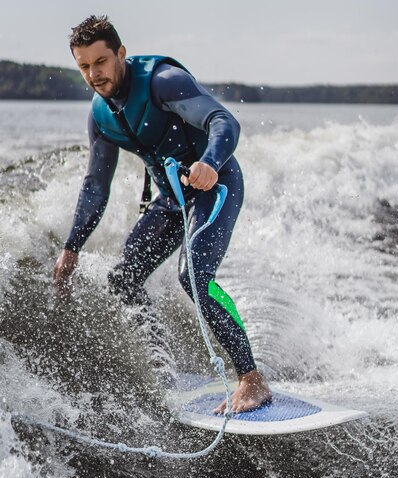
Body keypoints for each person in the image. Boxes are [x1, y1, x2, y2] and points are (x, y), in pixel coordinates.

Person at [53, 15, 271, 414]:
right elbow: (96, 186)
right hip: (171, 200)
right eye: (83, 66)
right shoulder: (100, 116)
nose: (93, 75)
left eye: (100, 62)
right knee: (123, 278)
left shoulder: (163, 82)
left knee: (195, 278)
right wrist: (72, 247)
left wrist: (209, 161)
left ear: (121, 53)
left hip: (214, 186)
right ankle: (162, 367)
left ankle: (252, 379)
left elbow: (224, 121)